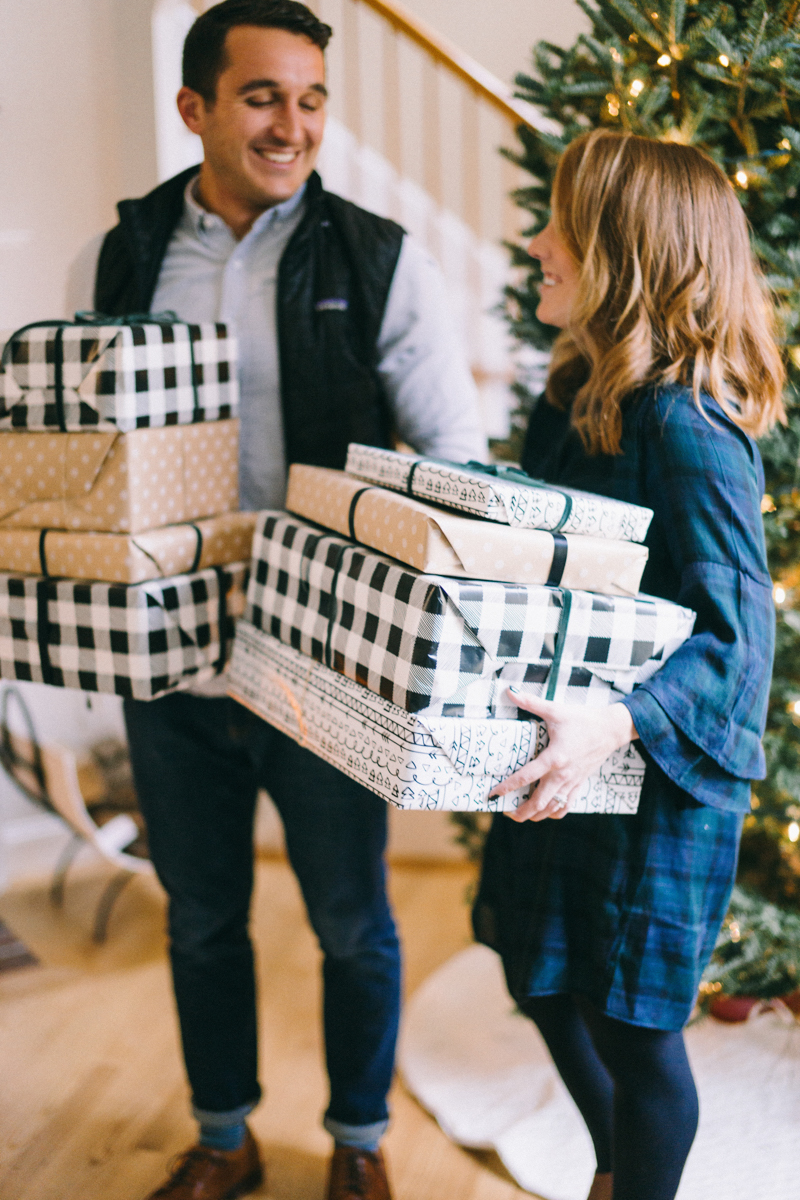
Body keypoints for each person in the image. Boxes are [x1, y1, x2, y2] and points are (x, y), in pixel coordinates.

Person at [70, 3, 486, 1198]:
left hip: (324, 661)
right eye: (261, 96)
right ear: (195, 106)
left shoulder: (378, 255)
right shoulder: (122, 253)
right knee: (202, 916)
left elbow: (449, 455)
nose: (291, 125)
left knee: (352, 923)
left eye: (309, 99)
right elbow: (69, 434)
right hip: (171, 663)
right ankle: (223, 1137)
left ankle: (358, 1145)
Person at [473, 129, 784, 1200]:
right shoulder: (567, 397)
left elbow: (735, 638)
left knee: (633, 1027)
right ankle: (614, 1168)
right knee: (537, 977)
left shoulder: (688, 425)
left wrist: (613, 721)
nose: (535, 242)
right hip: (569, 757)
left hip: (655, 774)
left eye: (557, 223)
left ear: (621, 251)